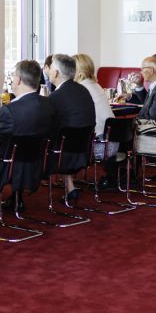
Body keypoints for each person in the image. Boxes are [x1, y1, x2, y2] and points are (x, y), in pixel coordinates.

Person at [0, 59, 56, 210]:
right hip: (40, 162)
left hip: (9, 165)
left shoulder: (9, 111)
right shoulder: (49, 105)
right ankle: (16, 196)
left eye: (13, 76)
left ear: (18, 80)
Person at [47, 54, 96, 204]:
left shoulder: (55, 97)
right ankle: (70, 188)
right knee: (63, 136)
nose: (48, 71)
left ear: (56, 73)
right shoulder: (83, 91)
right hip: (83, 150)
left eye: (50, 68)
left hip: (62, 154)